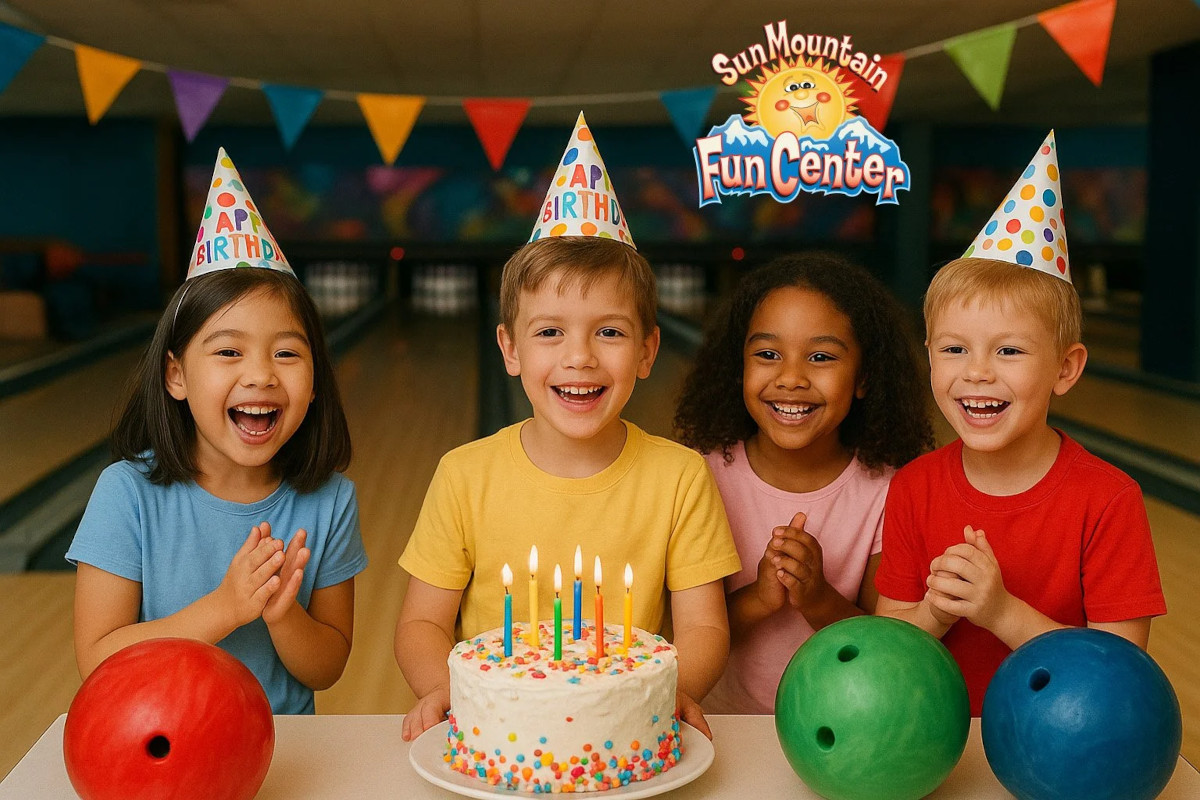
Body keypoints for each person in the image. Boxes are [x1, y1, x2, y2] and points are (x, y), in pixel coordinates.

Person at [394, 113, 740, 742]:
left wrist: (675, 690)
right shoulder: (465, 474)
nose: (579, 357)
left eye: (609, 331)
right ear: (510, 348)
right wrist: (444, 690)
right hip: (499, 730)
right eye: (550, 331)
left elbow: (705, 629)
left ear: (647, 349)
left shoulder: (680, 477)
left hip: (623, 731)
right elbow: (421, 624)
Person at [874, 132, 1166, 714]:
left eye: (1008, 352)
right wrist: (936, 610)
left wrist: (1000, 611)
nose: (977, 373)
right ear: (928, 354)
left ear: (1066, 367)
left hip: (1061, 751)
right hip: (931, 747)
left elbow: (1119, 679)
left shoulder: (1109, 501)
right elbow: (891, 650)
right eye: (955, 350)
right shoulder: (913, 487)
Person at [67, 149, 367, 714]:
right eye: (229, 351)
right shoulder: (126, 494)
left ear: (316, 380)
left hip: (282, 751)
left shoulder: (330, 501)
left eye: (286, 353)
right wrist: (224, 608)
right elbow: (99, 661)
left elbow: (327, 668)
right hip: (161, 746)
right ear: (176, 375)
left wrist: (283, 614)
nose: (260, 374)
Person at [674, 252, 932, 713]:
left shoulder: (889, 492)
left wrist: (817, 598)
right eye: (768, 354)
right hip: (722, 728)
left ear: (864, 378)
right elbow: (681, 632)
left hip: (846, 730)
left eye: (821, 357)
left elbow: (886, 642)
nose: (791, 378)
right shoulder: (698, 477)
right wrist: (759, 597)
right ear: (739, 368)